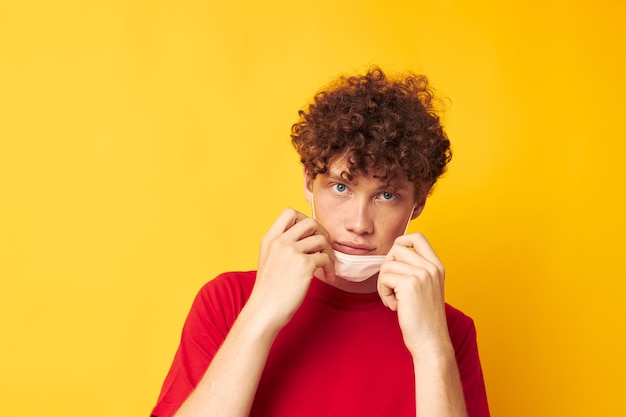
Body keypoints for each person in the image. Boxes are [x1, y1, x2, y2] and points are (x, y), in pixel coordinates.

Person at [151, 67, 490, 417]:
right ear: (309, 182)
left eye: (386, 195)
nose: (359, 224)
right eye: (341, 187)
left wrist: (432, 347)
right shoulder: (227, 300)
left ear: (417, 203)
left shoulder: (449, 330)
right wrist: (260, 313)